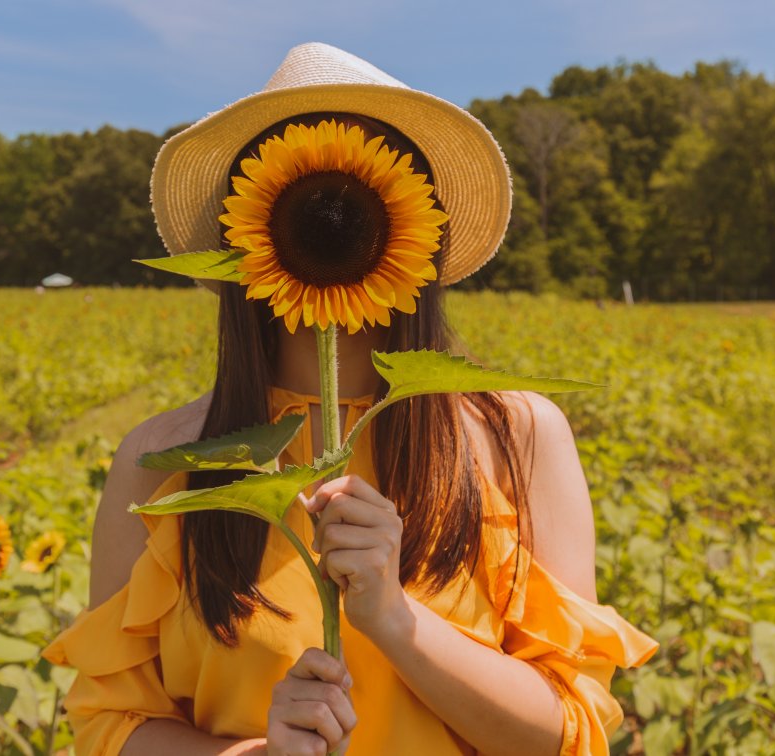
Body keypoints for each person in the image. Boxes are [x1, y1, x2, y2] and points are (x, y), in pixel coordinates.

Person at [44, 42, 659, 756]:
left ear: (414, 228)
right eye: (310, 198)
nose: (332, 216)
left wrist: (396, 621)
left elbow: (568, 732)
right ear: (248, 234)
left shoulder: (514, 437)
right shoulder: (164, 464)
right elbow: (108, 727)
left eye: (355, 195)